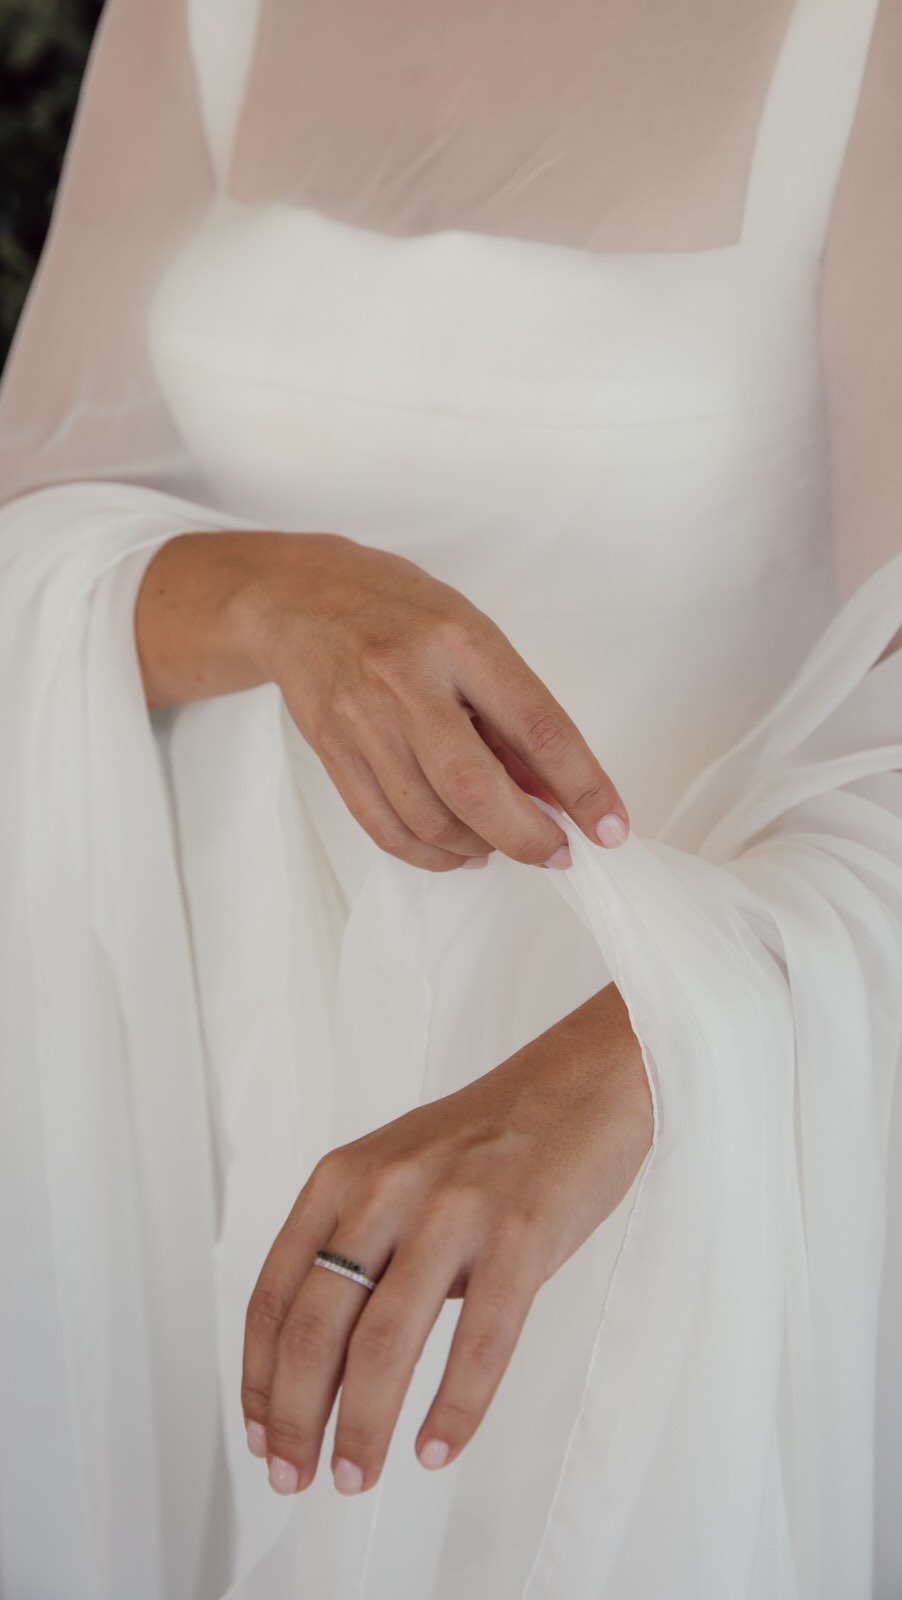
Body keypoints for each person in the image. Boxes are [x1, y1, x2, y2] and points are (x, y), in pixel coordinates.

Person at [1, 0, 901, 1595]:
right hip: (208, 1089)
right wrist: (273, 594)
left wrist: (634, 1061)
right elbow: (38, 521)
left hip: (659, 1152)